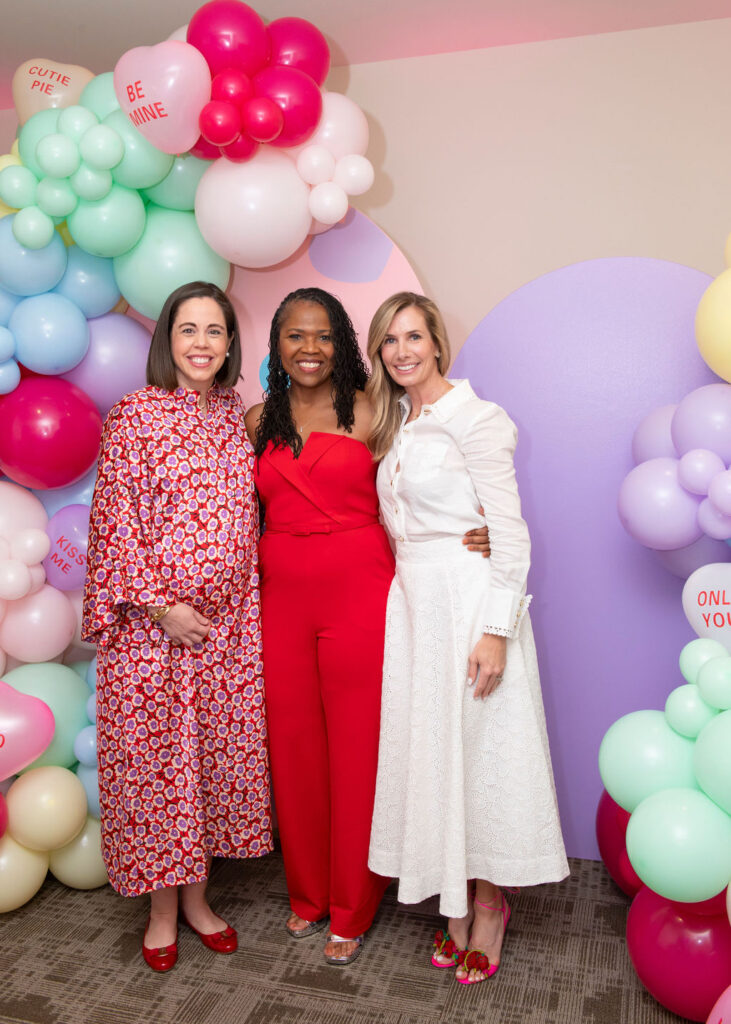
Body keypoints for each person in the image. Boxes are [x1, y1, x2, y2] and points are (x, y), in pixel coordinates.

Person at [245, 288, 491, 966]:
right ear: (277, 344)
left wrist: (479, 529)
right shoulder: (256, 419)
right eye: (295, 336)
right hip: (281, 596)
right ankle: (307, 896)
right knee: (293, 746)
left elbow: (427, 480)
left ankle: (353, 904)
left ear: (343, 343)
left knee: (358, 749)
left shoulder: (376, 410)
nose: (309, 348)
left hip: (360, 586)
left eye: (323, 335)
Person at [366, 292, 569, 985]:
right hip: (416, 603)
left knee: (481, 752)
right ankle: (453, 895)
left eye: (414, 336)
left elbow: (509, 534)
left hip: (467, 602)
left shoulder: (476, 419)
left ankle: (487, 907)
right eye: (389, 340)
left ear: (437, 343)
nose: (402, 351)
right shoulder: (396, 423)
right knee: (437, 751)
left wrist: (495, 630)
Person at [82, 281, 273, 973]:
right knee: (155, 768)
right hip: (152, 628)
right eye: (187, 329)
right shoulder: (134, 415)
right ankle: (162, 912)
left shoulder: (233, 416)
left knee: (210, 768)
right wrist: (163, 607)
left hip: (225, 635)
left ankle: (198, 901)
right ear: (168, 340)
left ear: (229, 344)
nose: (200, 343)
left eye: (214, 331)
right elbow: (114, 524)